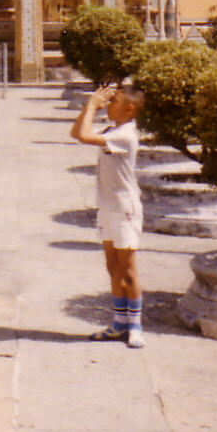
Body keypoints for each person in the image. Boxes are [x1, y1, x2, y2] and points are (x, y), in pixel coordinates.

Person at [70, 82, 147, 349]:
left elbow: (82, 135)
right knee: (113, 268)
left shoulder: (126, 134)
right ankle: (119, 323)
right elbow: (77, 132)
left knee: (127, 269)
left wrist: (91, 104)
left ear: (129, 109)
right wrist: (89, 106)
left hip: (125, 209)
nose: (107, 105)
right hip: (108, 208)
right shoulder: (113, 130)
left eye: (113, 102)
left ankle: (135, 325)